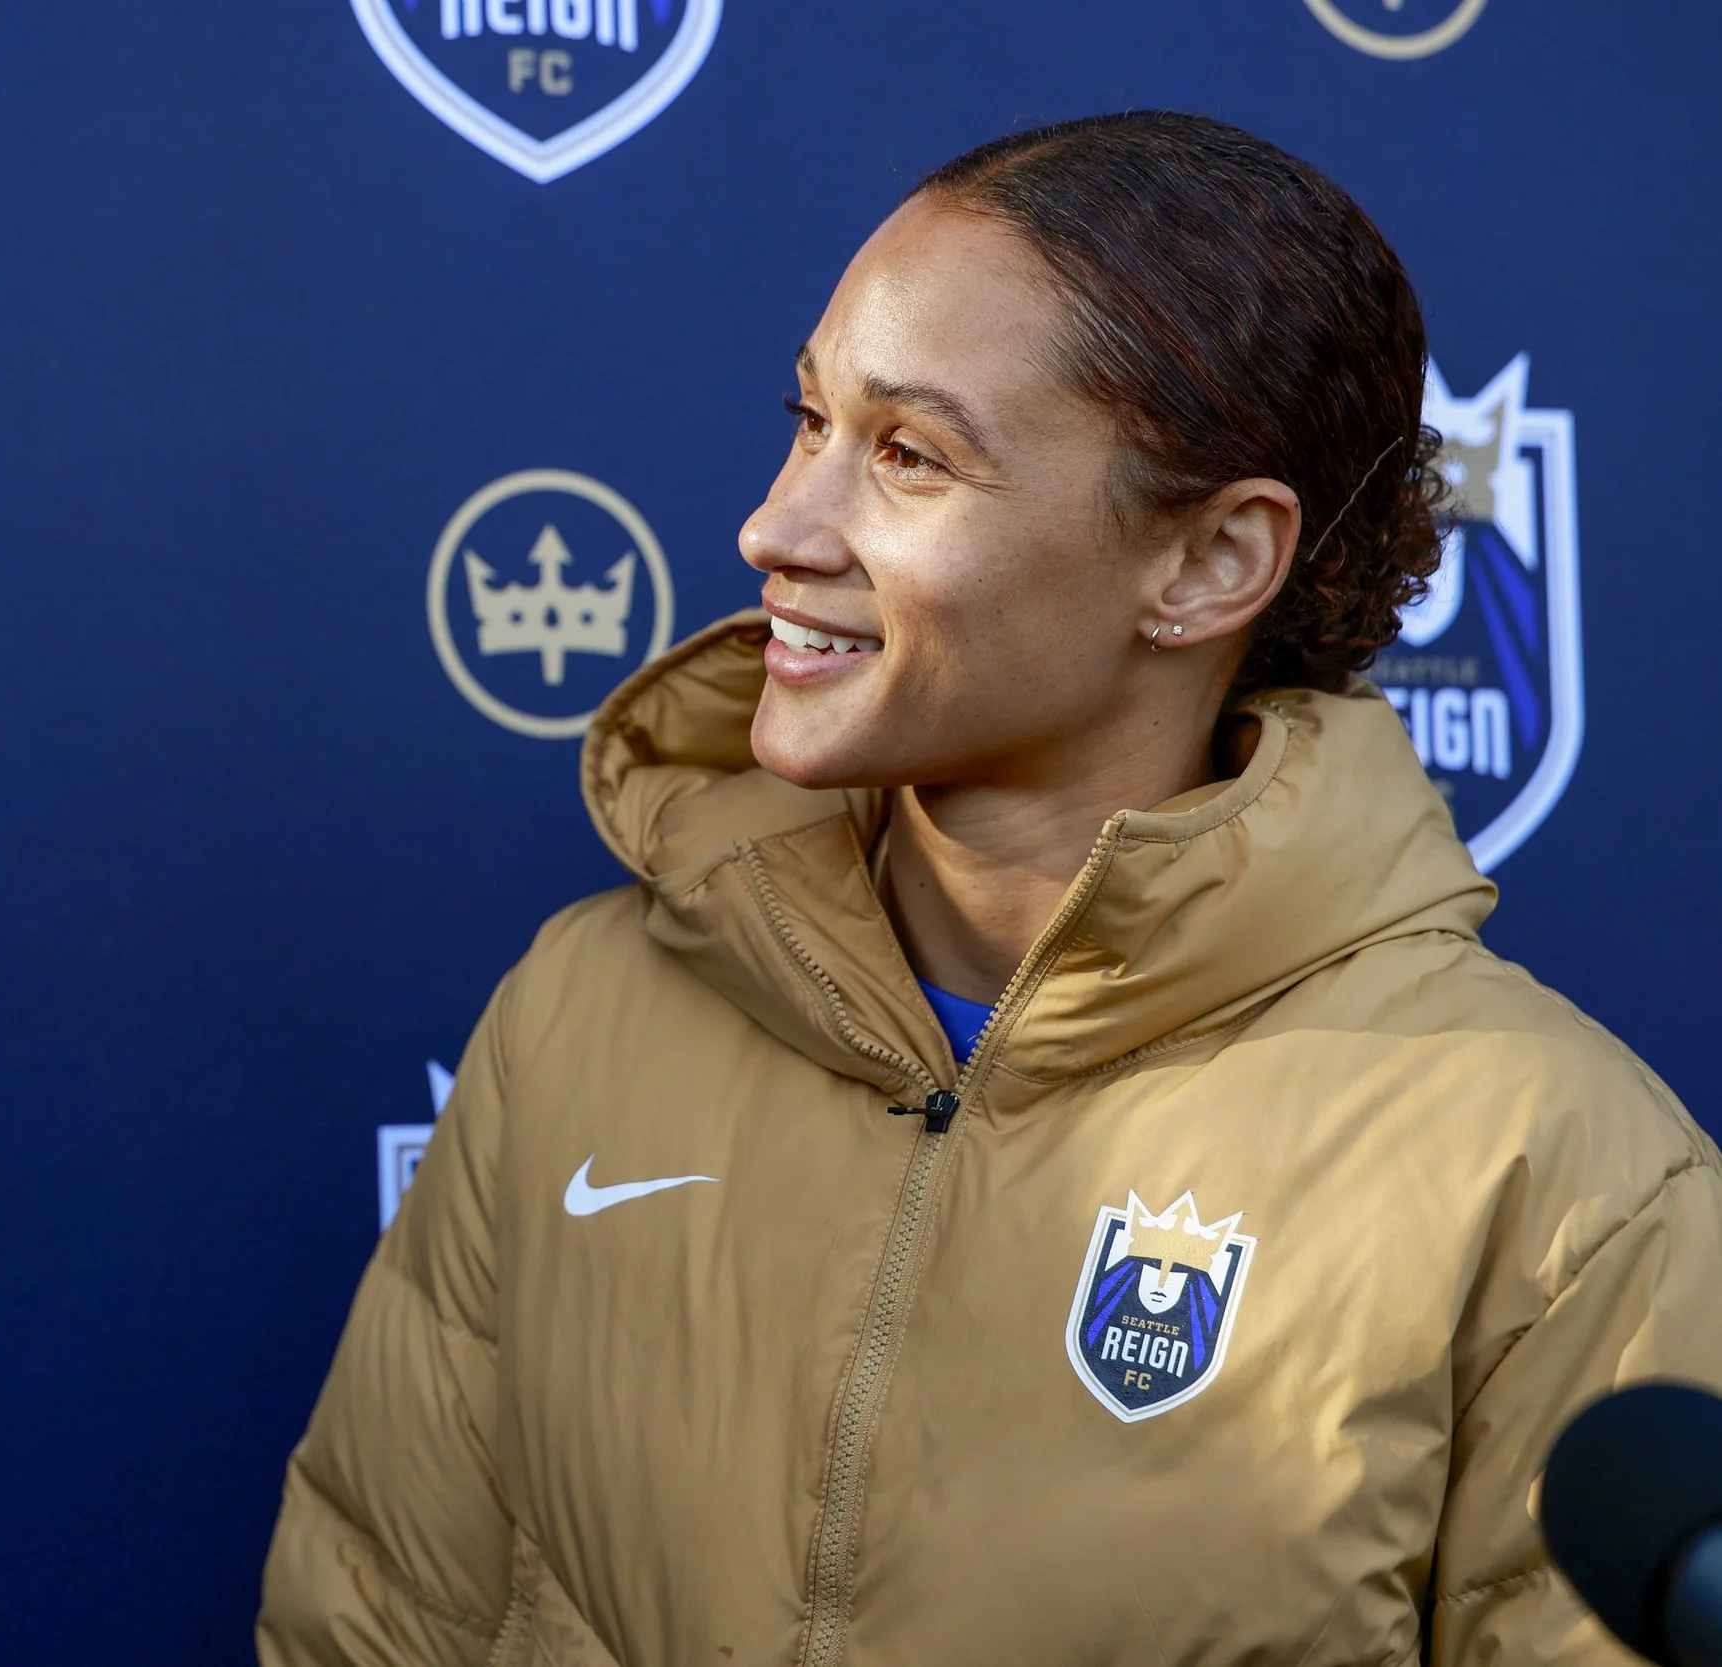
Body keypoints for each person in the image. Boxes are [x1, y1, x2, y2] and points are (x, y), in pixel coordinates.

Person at [257, 111, 1722, 1666]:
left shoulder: (1556, 1175)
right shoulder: (579, 1013)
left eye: (909, 454)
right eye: (808, 419)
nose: (776, 524)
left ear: (1211, 562)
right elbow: (374, 1625)